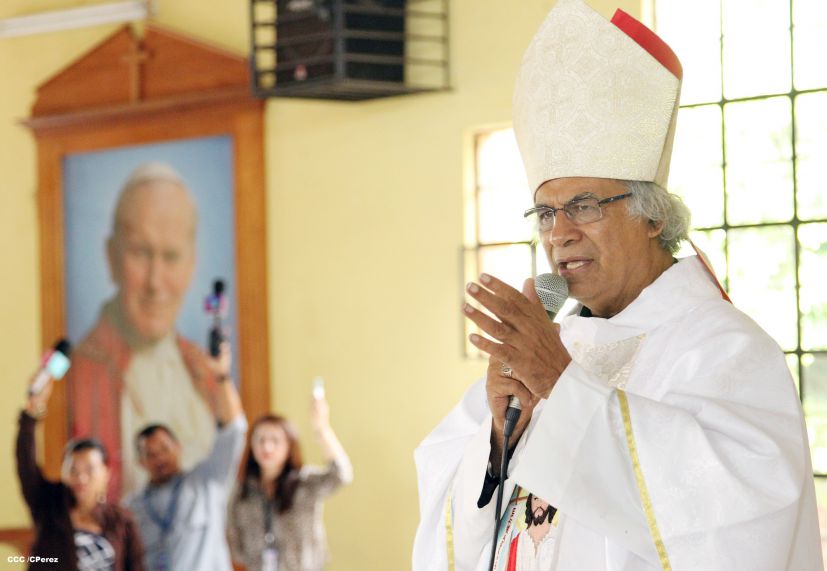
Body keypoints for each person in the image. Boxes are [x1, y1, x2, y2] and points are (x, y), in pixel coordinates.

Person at [413, 0, 823, 569]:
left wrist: (564, 386)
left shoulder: (725, 351)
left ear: (653, 215)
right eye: (545, 214)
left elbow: (743, 523)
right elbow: (447, 503)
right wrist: (498, 443)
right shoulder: (553, 347)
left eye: (582, 205)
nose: (560, 234)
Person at [65, 162, 222, 499]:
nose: (155, 282)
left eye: (172, 256)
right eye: (140, 252)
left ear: (192, 263)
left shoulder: (202, 369)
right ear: (111, 257)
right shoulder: (82, 369)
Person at [124, 342, 247, 571]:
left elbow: (233, 430)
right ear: (140, 462)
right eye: (150, 454)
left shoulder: (207, 481)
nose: (159, 458)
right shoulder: (132, 507)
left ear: (178, 448)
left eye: (164, 449)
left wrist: (221, 377)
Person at [16, 373, 144, 570]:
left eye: (90, 469)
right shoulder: (48, 504)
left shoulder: (121, 521)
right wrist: (32, 413)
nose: (80, 477)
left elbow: (136, 566)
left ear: (105, 473)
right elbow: (25, 462)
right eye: (73, 469)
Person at [228, 395, 353, 571]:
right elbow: (234, 539)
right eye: (260, 440)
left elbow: (342, 474)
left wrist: (322, 428)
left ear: (289, 446)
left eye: (275, 440)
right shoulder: (243, 492)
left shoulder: (304, 483)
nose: (267, 447)